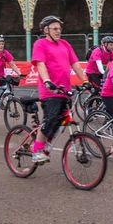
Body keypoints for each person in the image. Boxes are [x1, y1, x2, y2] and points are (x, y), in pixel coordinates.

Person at [31, 16, 90, 163]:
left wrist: (85, 80)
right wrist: (47, 81)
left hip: (65, 90)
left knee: (60, 120)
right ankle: (37, 150)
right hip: (50, 91)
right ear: (46, 30)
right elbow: (40, 64)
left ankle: (45, 144)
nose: (58, 31)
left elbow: (75, 64)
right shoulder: (40, 44)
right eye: (55, 29)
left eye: (59, 29)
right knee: (50, 119)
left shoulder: (64, 44)